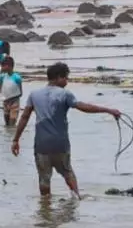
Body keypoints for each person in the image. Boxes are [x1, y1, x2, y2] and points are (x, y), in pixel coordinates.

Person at [11, 62, 121, 198]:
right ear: (58, 77)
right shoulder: (64, 94)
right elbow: (83, 107)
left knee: (44, 179)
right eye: (66, 78)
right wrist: (108, 110)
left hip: (41, 144)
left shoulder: (34, 95)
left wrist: (16, 140)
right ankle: (76, 199)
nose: (67, 81)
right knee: (68, 173)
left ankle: (45, 208)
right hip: (60, 143)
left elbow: (24, 117)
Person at [0, 56, 23, 127]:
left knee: (12, 124)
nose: (2, 68)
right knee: (6, 124)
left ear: (9, 66)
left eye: (3, 66)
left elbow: (20, 93)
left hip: (14, 103)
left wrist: (10, 100)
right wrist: (0, 97)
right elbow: (0, 88)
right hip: (5, 103)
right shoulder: (2, 77)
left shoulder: (17, 78)